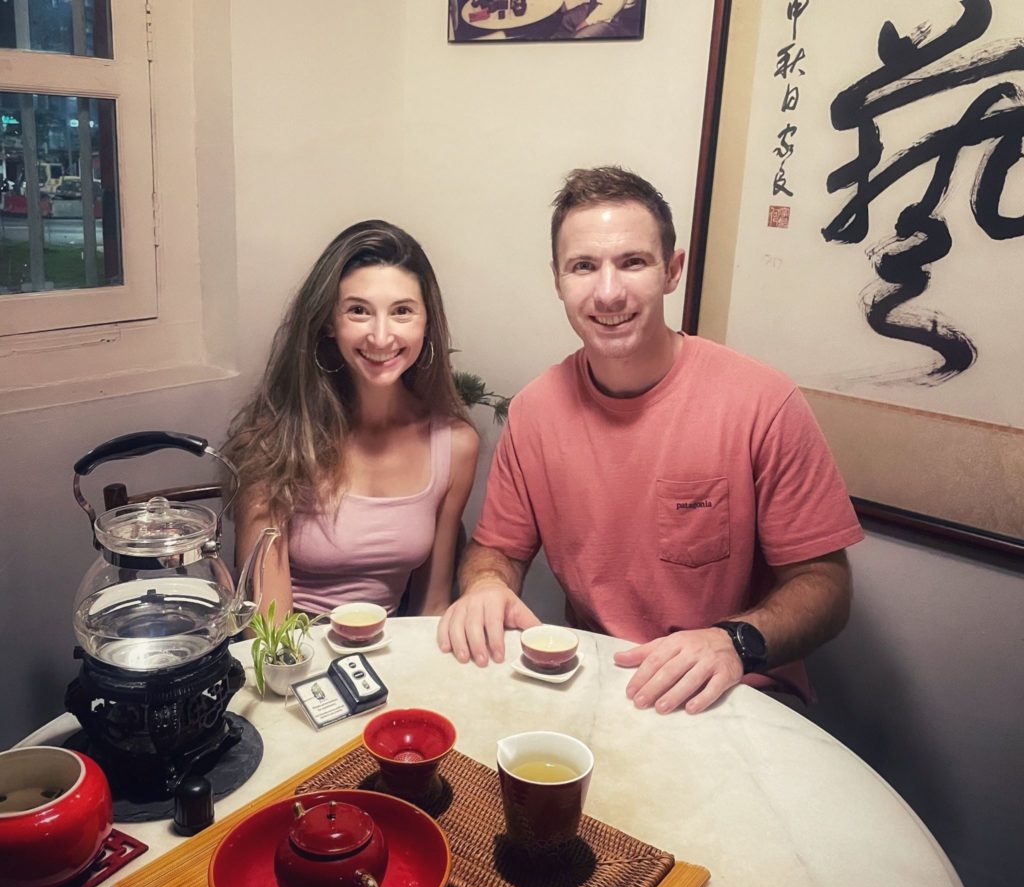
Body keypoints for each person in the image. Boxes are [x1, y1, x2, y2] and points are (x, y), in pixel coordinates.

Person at [438, 166, 863, 714]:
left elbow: (825, 586)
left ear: (672, 270)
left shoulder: (761, 402)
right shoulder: (535, 412)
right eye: (584, 267)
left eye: (632, 262)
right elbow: (496, 550)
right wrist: (486, 587)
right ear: (558, 280)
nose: (608, 292)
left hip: (733, 691)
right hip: (597, 683)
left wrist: (733, 641)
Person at [225, 220, 479, 621]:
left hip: (389, 660)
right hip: (294, 660)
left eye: (402, 312)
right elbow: (267, 631)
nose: (381, 337)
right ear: (329, 321)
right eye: (359, 310)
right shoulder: (273, 442)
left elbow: (431, 608)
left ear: (426, 323)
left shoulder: (456, 444)